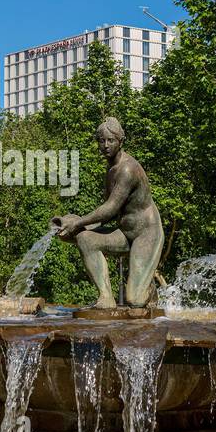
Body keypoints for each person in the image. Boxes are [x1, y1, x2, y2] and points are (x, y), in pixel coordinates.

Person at [53, 117, 164, 308]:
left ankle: (149, 290)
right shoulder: (111, 169)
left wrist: (78, 223)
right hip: (124, 232)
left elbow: (110, 208)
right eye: (101, 140)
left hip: (147, 234)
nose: (105, 145)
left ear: (121, 141)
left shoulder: (128, 169)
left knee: (134, 300)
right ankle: (106, 298)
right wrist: (75, 228)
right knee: (86, 239)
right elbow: (109, 212)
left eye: (110, 140)